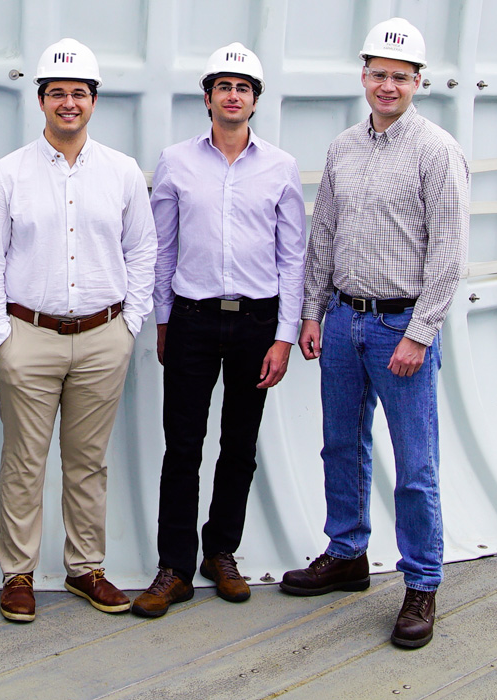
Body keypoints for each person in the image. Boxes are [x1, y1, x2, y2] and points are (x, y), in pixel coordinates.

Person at [280, 17, 470, 649]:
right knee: (342, 447)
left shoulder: (437, 151)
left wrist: (420, 333)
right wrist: (312, 312)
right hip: (342, 321)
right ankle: (348, 554)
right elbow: (324, 235)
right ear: (363, 76)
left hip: (399, 328)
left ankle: (422, 583)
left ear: (418, 82)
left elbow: (448, 254)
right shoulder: (342, 148)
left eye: (400, 77)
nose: (387, 85)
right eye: (378, 74)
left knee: (415, 466)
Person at [0, 38, 157, 623]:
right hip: (28, 337)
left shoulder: (121, 172)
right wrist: (1, 336)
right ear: (41, 100)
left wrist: (129, 325)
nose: (69, 103)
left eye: (79, 93)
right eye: (58, 93)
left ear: (94, 101)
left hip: (104, 338)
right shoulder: (8, 174)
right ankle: (18, 574)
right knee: (25, 461)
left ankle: (85, 569)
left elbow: (144, 252)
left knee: (88, 461)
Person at [133, 43, 306, 618]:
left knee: (239, 446)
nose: (234, 96)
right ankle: (174, 568)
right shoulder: (176, 161)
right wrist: (162, 321)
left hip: (257, 323)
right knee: (182, 446)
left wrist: (283, 336)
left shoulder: (280, 167)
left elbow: (293, 260)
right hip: (192, 320)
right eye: (223, 86)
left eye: (244, 88)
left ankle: (221, 554)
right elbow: (161, 251)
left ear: (255, 101)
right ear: (207, 98)